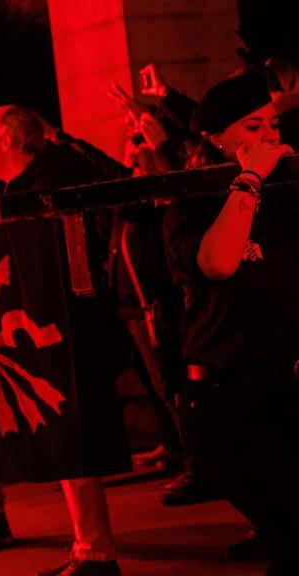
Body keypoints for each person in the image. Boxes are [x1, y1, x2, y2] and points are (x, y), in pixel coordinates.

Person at [0, 82, 131, 576]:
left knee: (76, 438)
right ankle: (87, 547)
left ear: (10, 141)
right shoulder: (12, 187)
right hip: (42, 329)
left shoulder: (56, 178)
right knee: (64, 439)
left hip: (70, 327)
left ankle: (98, 553)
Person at [164, 68, 298, 575]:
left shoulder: (289, 197)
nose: (268, 137)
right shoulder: (192, 203)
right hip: (229, 399)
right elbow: (219, 262)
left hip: (287, 386)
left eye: (271, 126)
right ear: (215, 139)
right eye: (251, 128)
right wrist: (249, 179)